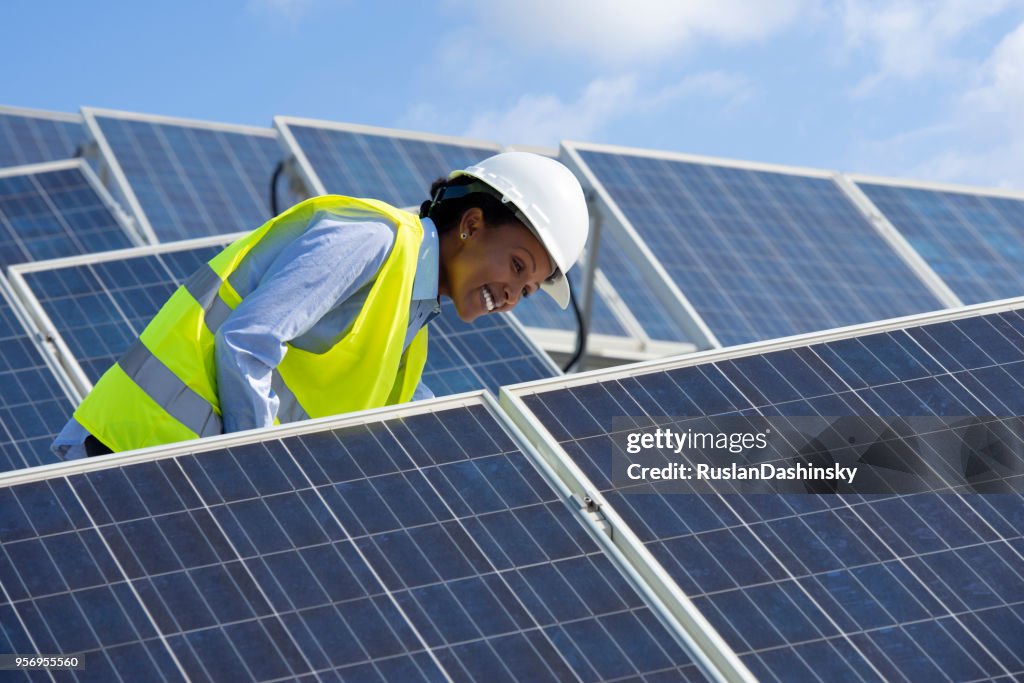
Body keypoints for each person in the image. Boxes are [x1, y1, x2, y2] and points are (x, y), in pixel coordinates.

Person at [51, 152, 589, 458]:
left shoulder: (411, 336)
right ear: (471, 224)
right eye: (517, 266)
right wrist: (261, 475)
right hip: (128, 453)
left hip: (176, 475)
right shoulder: (373, 240)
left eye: (528, 290)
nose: (512, 298)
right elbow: (247, 342)